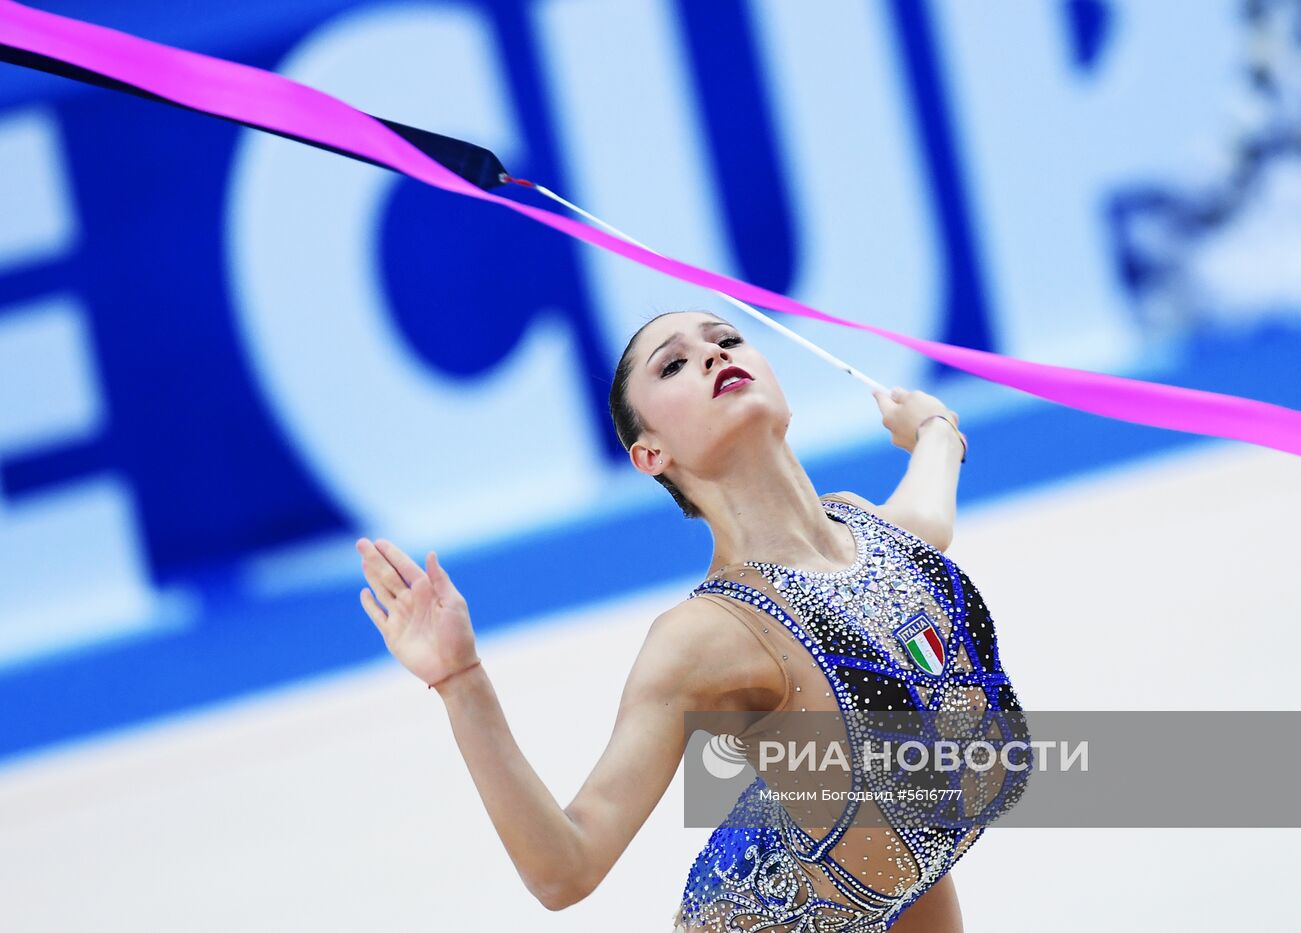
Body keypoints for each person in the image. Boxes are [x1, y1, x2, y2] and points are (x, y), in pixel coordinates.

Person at [355, 309, 1026, 931]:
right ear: (649, 455)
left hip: (885, 883)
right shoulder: (705, 636)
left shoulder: (861, 527)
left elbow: (926, 520)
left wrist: (936, 431)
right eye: (673, 365)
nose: (711, 354)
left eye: (726, 340)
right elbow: (567, 867)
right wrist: (461, 679)